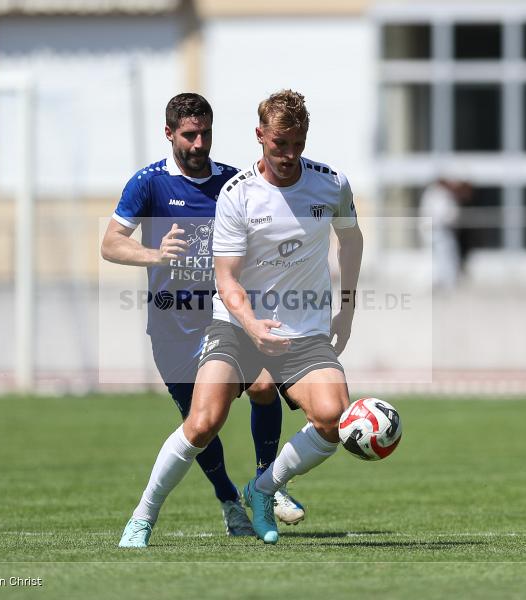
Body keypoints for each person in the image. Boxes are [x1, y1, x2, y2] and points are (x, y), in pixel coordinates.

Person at [119, 89, 363, 547]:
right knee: (202, 423)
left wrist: (346, 307)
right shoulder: (237, 195)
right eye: (279, 145)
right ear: (260, 137)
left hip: (304, 331)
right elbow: (226, 279)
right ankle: (143, 516)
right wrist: (252, 327)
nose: (289, 155)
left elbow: (351, 240)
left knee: (334, 421)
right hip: (235, 326)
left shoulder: (332, 184)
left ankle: (262, 489)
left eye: (297, 143)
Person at [101, 93, 305, 536]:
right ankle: (229, 500)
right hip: (173, 326)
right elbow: (111, 242)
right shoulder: (149, 183)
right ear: (169, 133)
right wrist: (154, 255)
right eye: (189, 135)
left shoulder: (233, 183)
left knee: (264, 386)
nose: (198, 143)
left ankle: (268, 482)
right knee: (200, 426)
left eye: (205, 133)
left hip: (227, 320)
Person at [419, 178, 461, 291]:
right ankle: (441, 281)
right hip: (437, 230)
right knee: (440, 257)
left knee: (446, 257)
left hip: (441, 230)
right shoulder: (437, 195)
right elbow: (442, 214)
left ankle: (445, 282)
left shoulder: (438, 194)